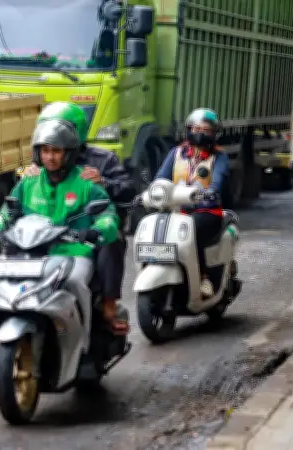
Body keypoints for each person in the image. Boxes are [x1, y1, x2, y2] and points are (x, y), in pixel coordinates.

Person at [0, 118, 124, 331]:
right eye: (45, 151)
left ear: (69, 153)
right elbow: (9, 211)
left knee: (74, 282)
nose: (50, 157)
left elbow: (107, 215)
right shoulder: (29, 182)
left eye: (56, 151)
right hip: (30, 253)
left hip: (73, 253)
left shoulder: (85, 183)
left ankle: (87, 333)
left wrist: (96, 230)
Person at [18, 102, 135, 334]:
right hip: (50, 231)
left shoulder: (103, 160)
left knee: (111, 241)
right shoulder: (41, 161)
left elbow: (128, 188)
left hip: (90, 229)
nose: (51, 155)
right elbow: (20, 202)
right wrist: (23, 179)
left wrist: (104, 182)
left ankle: (109, 305)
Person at [153, 108, 229, 298]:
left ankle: (204, 277)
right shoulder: (176, 153)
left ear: (214, 134)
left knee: (191, 230)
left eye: (206, 130)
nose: (200, 133)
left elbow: (218, 180)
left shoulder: (219, 156)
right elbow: (161, 178)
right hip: (176, 210)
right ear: (189, 130)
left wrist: (211, 192)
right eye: (196, 128)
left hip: (206, 211)